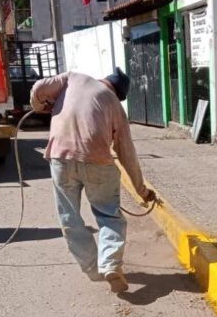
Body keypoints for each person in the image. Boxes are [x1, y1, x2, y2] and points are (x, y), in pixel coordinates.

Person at [30, 68, 156, 294]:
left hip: (61, 159)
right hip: (98, 162)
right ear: (118, 94)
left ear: (105, 80)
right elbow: (126, 152)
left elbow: (39, 88)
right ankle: (110, 265)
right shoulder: (115, 106)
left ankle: (91, 267)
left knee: (70, 217)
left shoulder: (72, 78)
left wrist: (39, 107)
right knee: (109, 216)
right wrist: (141, 189)